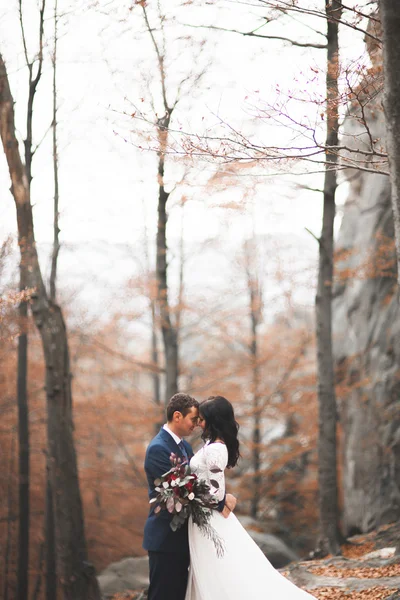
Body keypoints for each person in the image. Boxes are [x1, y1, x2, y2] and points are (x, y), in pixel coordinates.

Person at [185, 395, 317, 600]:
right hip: (202, 518)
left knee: (217, 568)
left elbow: (216, 494)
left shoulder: (216, 449)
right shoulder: (211, 444)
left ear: (214, 420)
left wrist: (188, 495)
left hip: (209, 518)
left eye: (202, 418)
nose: (199, 423)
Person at [143, 392, 236, 600]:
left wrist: (221, 495)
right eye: (193, 419)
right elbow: (181, 492)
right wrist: (220, 500)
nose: (197, 424)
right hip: (165, 537)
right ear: (177, 416)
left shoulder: (184, 446)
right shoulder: (158, 449)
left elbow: (200, 481)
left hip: (185, 536)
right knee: (163, 595)